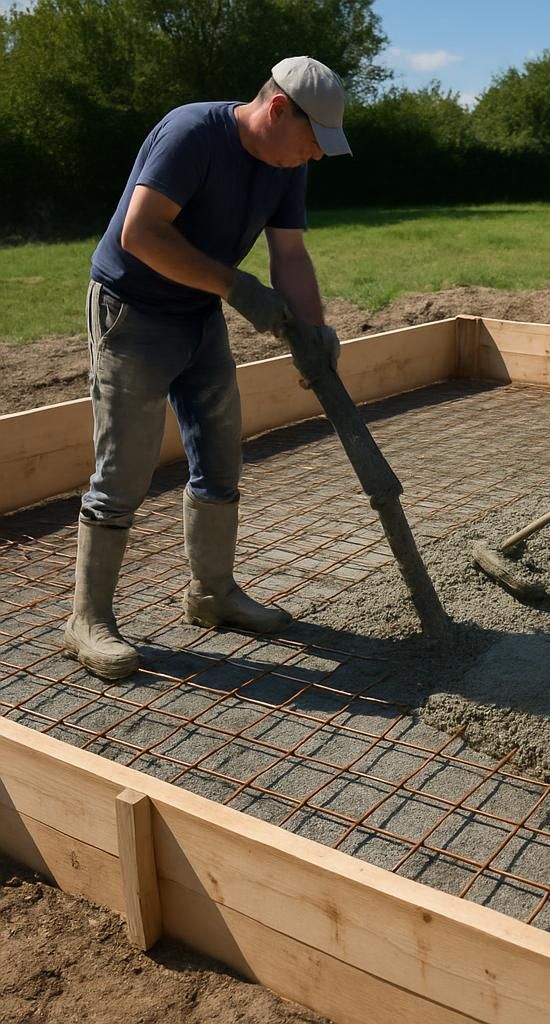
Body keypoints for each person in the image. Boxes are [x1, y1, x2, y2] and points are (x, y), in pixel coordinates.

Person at [64, 56, 349, 680]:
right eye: (313, 140)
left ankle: (212, 593)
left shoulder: (286, 161)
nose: (317, 157)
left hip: (197, 315)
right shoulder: (192, 133)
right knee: (125, 470)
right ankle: (87, 618)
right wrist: (233, 286)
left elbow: (291, 254)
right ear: (277, 110)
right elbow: (140, 234)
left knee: (221, 456)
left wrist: (312, 331)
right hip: (133, 314)